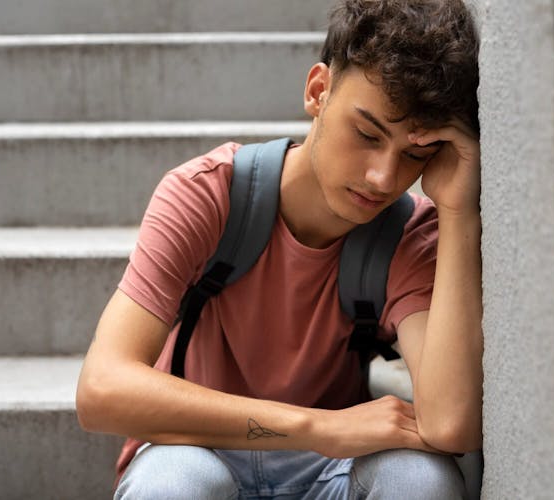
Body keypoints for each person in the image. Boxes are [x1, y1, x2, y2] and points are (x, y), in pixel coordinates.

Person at [76, 0, 482, 497]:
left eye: (415, 154)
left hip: (331, 471)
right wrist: (316, 426)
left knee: (421, 480)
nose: (384, 178)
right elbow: (102, 390)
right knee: (173, 483)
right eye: (366, 133)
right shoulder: (209, 194)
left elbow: (450, 427)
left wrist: (461, 211)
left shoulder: (409, 235)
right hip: (200, 447)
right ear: (318, 91)